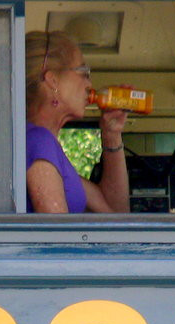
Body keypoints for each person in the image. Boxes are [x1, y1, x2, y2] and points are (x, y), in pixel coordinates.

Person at [25, 31, 130, 213]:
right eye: (83, 72)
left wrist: (111, 134)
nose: (89, 84)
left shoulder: (43, 144)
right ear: (53, 80)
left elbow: (115, 212)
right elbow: (54, 229)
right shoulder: (39, 141)